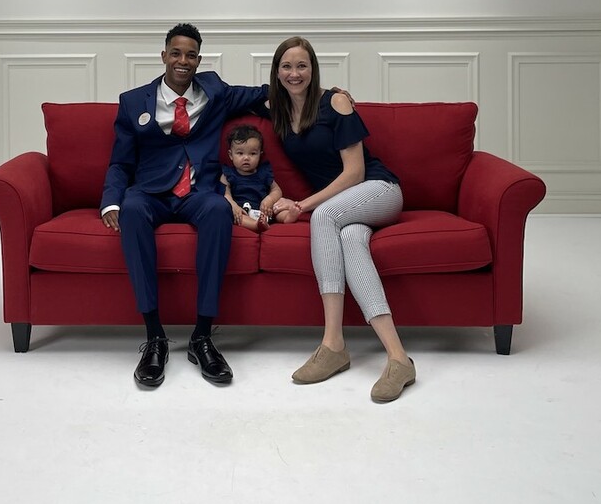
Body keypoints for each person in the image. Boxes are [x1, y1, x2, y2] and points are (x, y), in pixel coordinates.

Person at [100, 23, 267, 388]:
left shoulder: (215, 91)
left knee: (219, 210)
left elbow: (266, 94)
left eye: (190, 55)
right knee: (131, 208)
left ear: (198, 60)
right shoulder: (133, 102)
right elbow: (120, 163)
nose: (183, 60)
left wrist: (324, 95)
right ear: (164, 56)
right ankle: (155, 336)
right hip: (151, 192)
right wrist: (110, 201)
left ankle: (202, 336)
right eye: (176, 53)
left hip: (198, 193)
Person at [267, 36, 417, 403]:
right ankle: (399, 358)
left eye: (302, 65)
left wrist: (301, 205)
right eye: (286, 66)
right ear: (277, 72)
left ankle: (332, 343)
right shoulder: (276, 106)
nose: (294, 73)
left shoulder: (335, 102)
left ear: (313, 68)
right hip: (349, 208)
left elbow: (354, 172)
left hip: (378, 190)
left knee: (324, 216)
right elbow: (229, 95)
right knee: (350, 241)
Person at [220, 124, 284, 232]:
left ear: (260, 154)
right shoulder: (228, 174)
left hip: (264, 210)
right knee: (235, 216)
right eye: (240, 153)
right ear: (231, 155)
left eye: (253, 153)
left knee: (280, 207)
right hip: (242, 211)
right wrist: (234, 206)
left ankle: (288, 216)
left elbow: (276, 190)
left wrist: (270, 199)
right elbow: (225, 194)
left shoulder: (264, 173)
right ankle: (256, 225)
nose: (246, 158)